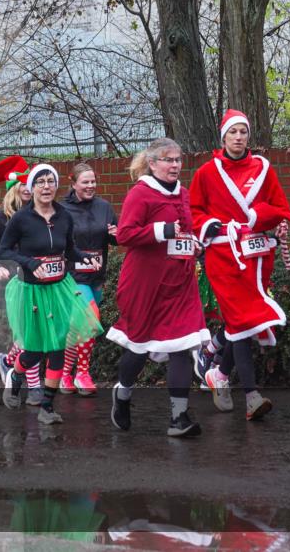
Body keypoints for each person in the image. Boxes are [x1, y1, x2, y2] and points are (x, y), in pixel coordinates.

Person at [190, 110, 290, 420]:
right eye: (232, 132)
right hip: (223, 257)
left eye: (243, 132)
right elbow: (193, 211)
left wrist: (256, 218)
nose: (238, 137)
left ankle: (220, 372)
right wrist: (213, 226)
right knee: (243, 322)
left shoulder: (263, 169)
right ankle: (251, 395)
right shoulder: (207, 173)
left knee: (247, 322)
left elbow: (281, 208)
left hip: (257, 257)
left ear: (249, 137)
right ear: (223, 137)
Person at [107, 138, 209, 438]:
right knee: (138, 347)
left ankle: (179, 417)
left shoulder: (184, 194)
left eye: (178, 160)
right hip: (145, 285)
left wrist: (194, 244)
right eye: (168, 160)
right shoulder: (140, 194)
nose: (175, 165)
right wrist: (161, 231)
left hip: (179, 284)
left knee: (182, 348)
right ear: (152, 164)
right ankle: (122, 394)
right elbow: (125, 234)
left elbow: (184, 233)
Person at [0, 163, 102, 424]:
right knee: (34, 349)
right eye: (40, 182)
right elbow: (4, 251)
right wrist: (32, 264)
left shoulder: (64, 216)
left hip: (59, 288)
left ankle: (47, 406)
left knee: (57, 346)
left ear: (57, 186)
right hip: (31, 291)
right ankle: (15, 374)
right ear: (31, 187)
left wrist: (85, 259)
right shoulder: (22, 218)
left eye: (50, 181)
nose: (46, 186)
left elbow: (69, 250)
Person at [0, 156, 44, 404]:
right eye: (24, 184)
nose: (29, 189)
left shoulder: (40, 216)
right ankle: (33, 385)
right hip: (10, 285)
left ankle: (7, 361)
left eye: (32, 183)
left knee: (30, 334)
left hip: (37, 283)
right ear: (13, 188)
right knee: (29, 334)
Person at [60, 163, 118, 397]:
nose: (90, 186)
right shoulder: (62, 209)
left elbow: (115, 235)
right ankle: (82, 373)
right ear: (73, 183)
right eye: (85, 182)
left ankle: (64, 374)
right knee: (91, 318)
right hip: (73, 276)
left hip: (96, 276)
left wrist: (116, 234)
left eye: (93, 181)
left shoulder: (104, 206)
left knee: (79, 329)